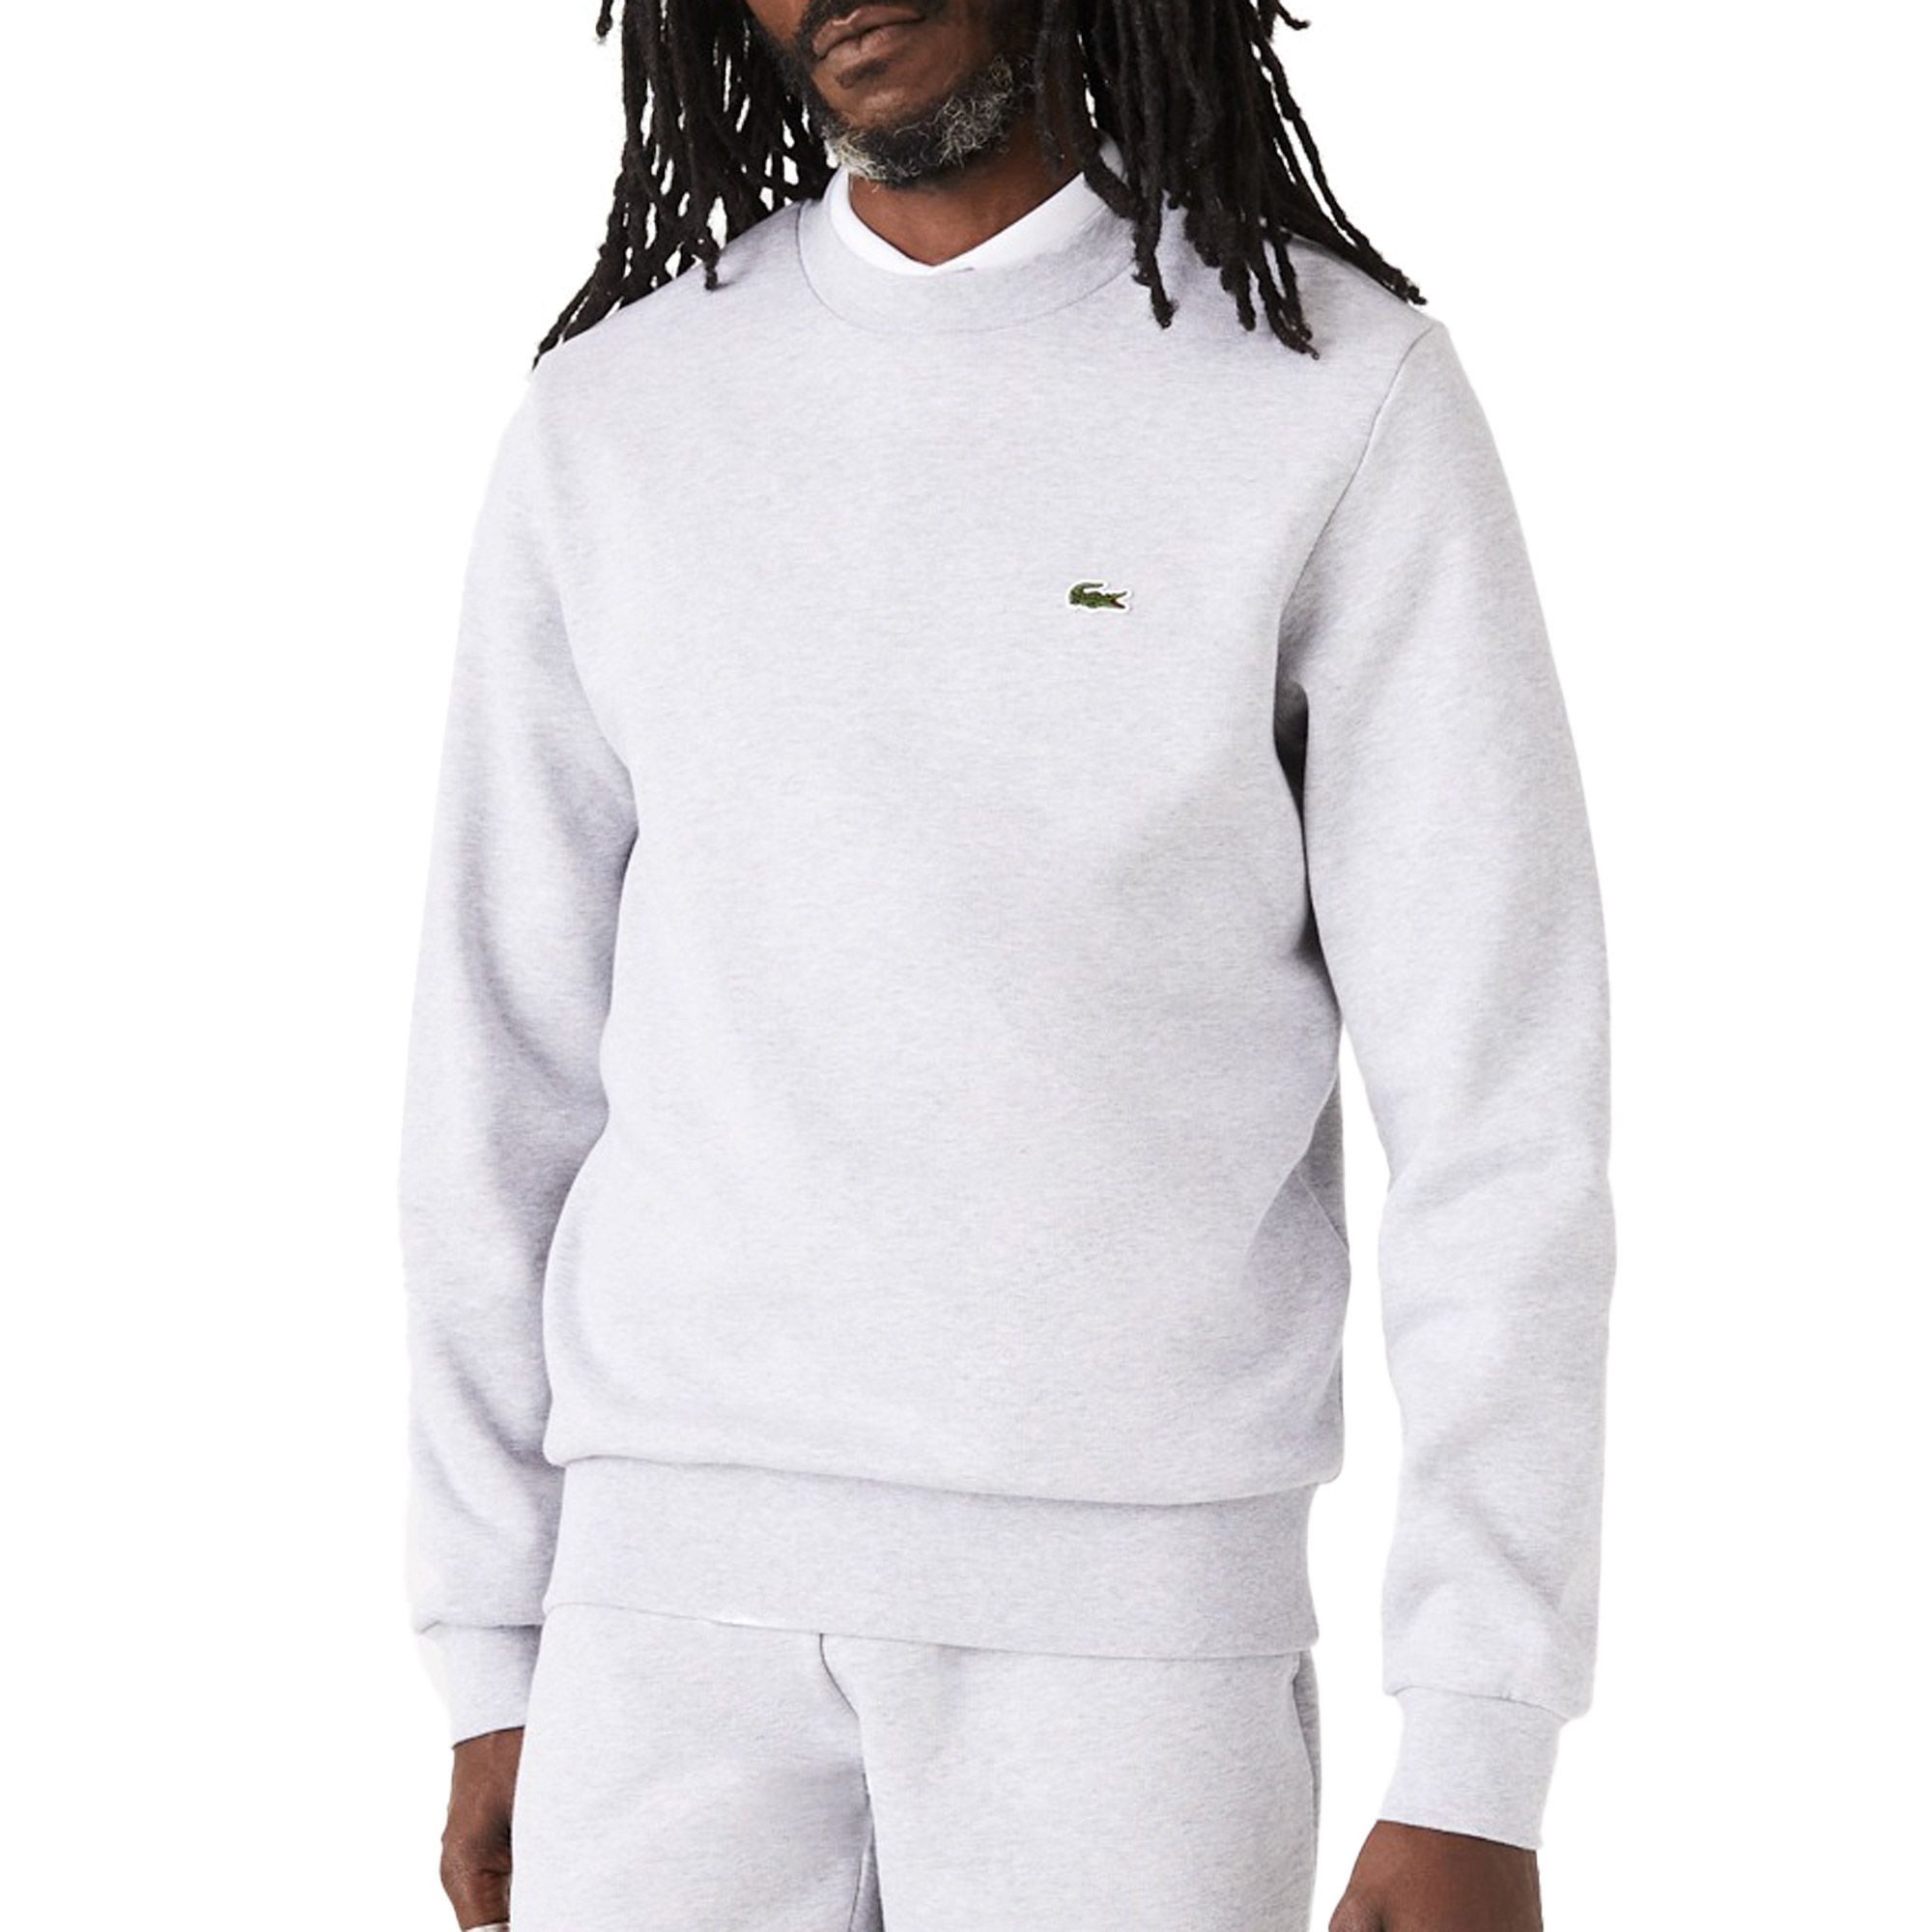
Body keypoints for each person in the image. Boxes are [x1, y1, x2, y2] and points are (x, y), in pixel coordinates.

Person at [397, 0, 1615, 1924]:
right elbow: (502, 1065)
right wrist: (493, 1642)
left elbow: (1498, 1100)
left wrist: (1479, 1741)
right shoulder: (618, 415)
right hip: (662, 1632)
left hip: (1130, 1648)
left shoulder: (1326, 391)